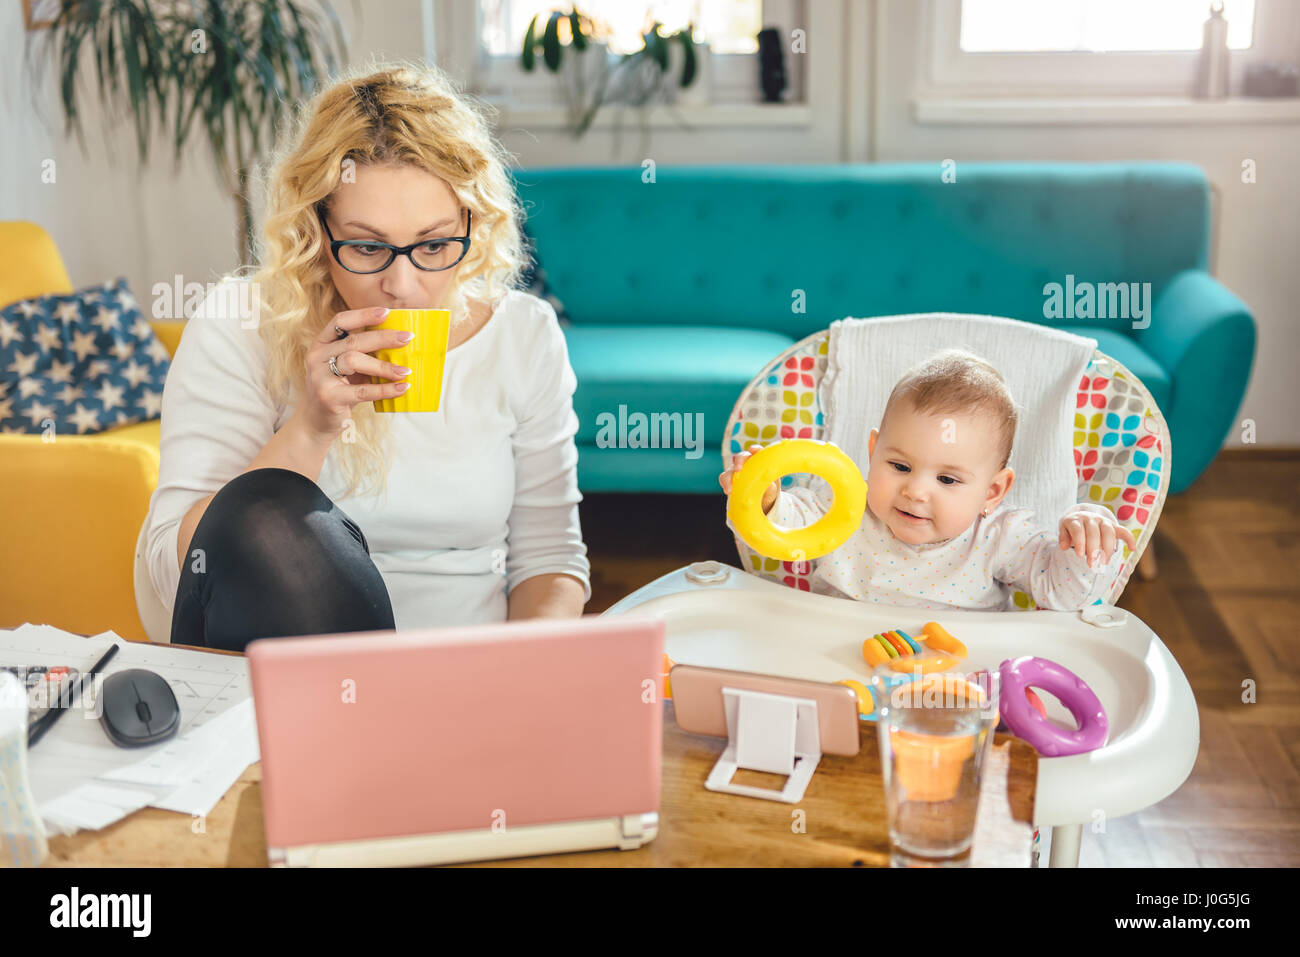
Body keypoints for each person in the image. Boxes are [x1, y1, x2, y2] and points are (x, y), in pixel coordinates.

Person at [143, 61, 590, 651]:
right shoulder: (241, 322)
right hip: (289, 680)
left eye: (433, 244)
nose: (402, 285)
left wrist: (515, 680)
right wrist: (310, 427)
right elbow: (172, 572)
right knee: (267, 514)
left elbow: (550, 562)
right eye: (367, 246)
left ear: (472, 225)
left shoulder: (523, 336)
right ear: (315, 231)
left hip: (468, 683)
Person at [718, 348, 1137, 611]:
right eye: (899, 466)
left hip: (956, 687)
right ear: (873, 452)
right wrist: (765, 499)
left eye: (948, 479)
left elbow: (1065, 596)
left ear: (992, 491)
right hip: (837, 672)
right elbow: (781, 528)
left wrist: (1083, 544)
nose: (915, 491)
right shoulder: (843, 512)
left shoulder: (999, 537)